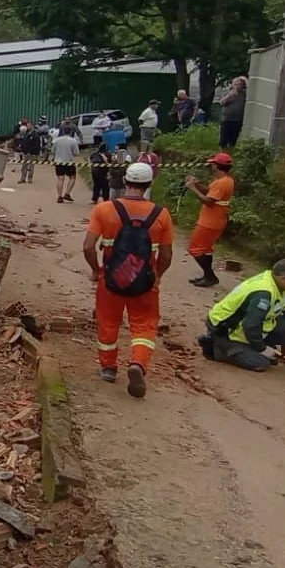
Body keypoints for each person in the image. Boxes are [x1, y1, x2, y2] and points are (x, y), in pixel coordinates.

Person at [83, 162, 174, 398]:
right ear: (148, 185)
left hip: (111, 280)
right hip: (145, 281)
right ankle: (138, 363)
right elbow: (166, 254)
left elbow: (88, 247)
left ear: (125, 181)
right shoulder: (161, 214)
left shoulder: (104, 209)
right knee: (144, 324)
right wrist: (158, 277)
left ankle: (108, 368)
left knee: (108, 321)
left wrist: (96, 270)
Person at [185, 152, 235, 287]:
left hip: (210, 222)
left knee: (194, 248)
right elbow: (209, 191)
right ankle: (207, 276)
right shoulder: (224, 180)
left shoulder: (222, 183)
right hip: (215, 220)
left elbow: (209, 201)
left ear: (216, 166)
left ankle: (210, 276)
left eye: (212, 164)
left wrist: (192, 188)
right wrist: (197, 184)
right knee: (206, 249)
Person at [51, 125, 81, 203]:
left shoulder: (57, 140)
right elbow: (76, 153)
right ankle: (67, 193)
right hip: (69, 162)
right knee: (72, 177)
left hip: (58, 161)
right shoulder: (73, 140)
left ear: (63, 131)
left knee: (60, 179)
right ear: (71, 132)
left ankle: (59, 196)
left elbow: (52, 151)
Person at [219, 76, 248, 149]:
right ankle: (223, 152)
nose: (236, 86)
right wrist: (230, 96)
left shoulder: (245, 94)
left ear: (242, 85)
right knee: (224, 138)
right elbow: (221, 102)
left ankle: (231, 151)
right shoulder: (228, 92)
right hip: (227, 119)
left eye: (238, 84)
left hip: (238, 119)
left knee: (233, 139)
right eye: (235, 84)